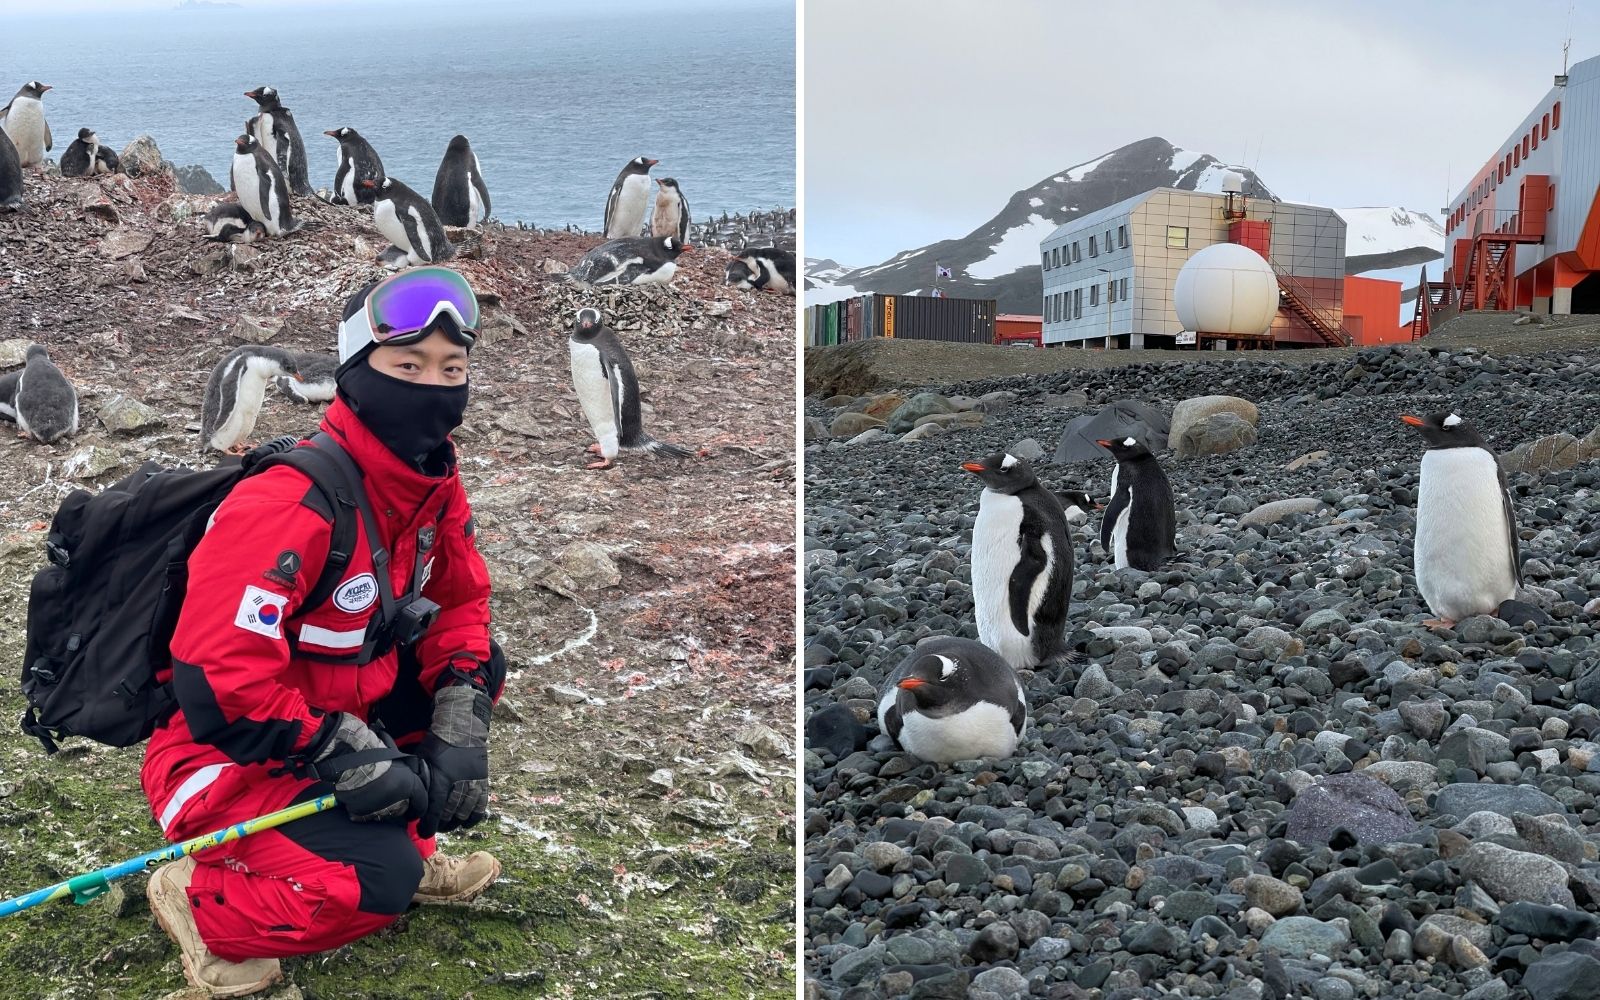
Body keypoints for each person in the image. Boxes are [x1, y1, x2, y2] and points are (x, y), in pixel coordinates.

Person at [141, 266, 506, 997]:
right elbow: (218, 674)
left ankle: (402, 835)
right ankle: (199, 899)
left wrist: (462, 711)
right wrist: (332, 745)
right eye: (408, 366)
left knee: (473, 670)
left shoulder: (428, 487)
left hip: (341, 720)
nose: (432, 387)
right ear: (354, 373)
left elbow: (461, 603)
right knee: (375, 888)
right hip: (226, 755)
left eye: (451, 369)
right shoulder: (289, 503)